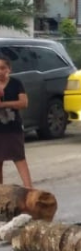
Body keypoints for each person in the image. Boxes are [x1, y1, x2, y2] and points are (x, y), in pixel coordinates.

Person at [0, 57, 34, 188]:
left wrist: (4, 104)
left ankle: (29, 190)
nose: (0, 71)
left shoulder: (15, 83)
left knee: (19, 158)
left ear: (9, 69)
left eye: (3, 68)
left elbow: (23, 103)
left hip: (13, 128)